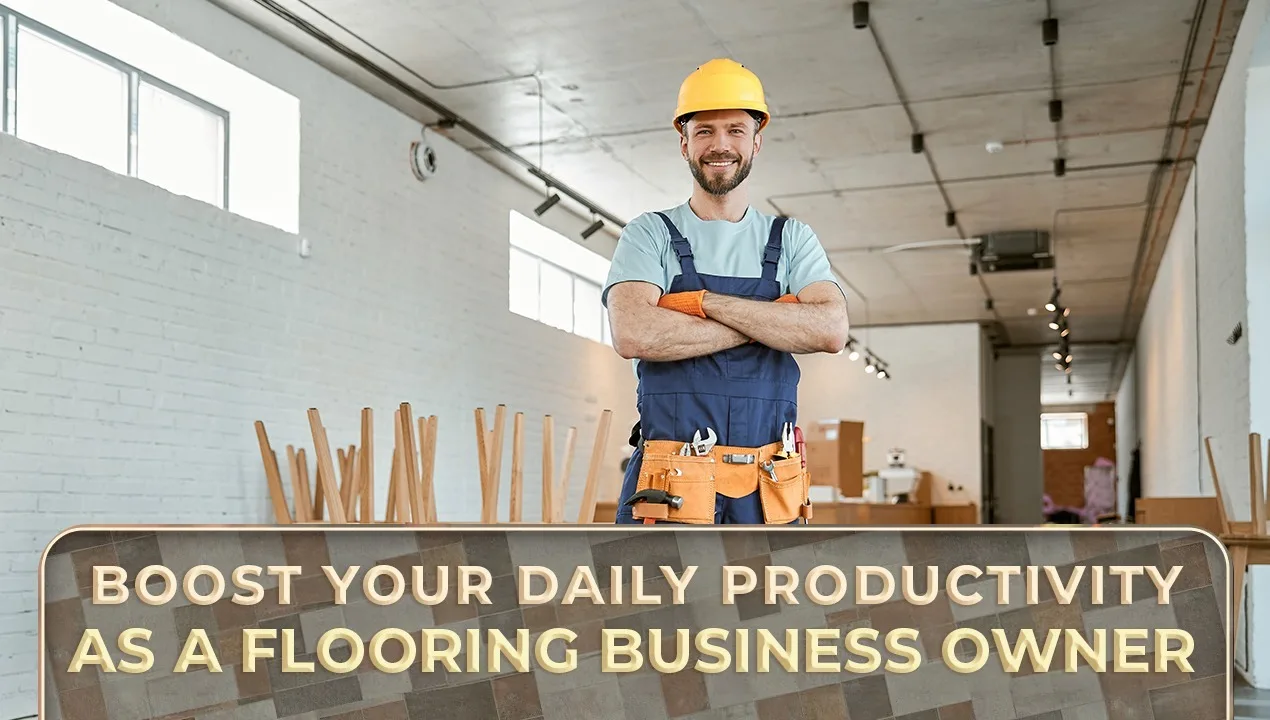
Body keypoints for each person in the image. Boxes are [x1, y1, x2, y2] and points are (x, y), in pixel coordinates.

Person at [602, 58, 849, 525]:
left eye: (735, 130)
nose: (720, 145)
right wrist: (771, 321)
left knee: (767, 600)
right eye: (704, 131)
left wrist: (701, 306)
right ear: (684, 143)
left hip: (768, 488)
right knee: (660, 599)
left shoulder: (791, 238)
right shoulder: (650, 234)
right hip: (669, 484)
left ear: (756, 141)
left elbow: (831, 329)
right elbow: (633, 332)